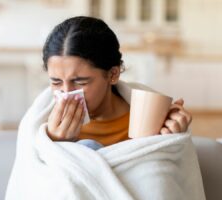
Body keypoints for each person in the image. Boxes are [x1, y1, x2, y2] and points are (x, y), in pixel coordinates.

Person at [42, 16, 192, 150]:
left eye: (80, 81)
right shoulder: (43, 122)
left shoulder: (147, 118)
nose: (66, 93)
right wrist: (53, 144)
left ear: (113, 74)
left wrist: (172, 140)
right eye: (56, 82)